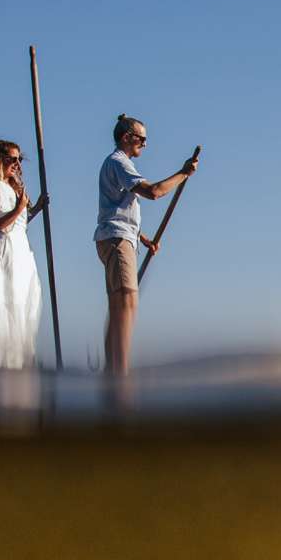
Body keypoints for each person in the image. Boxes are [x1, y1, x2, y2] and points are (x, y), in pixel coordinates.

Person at [94, 115, 199, 374]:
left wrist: (144, 239)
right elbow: (153, 192)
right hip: (117, 240)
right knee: (126, 303)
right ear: (126, 137)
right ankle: (119, 373)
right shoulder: (119, 162)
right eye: (142, 139)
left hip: (120, 238)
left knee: (121, 306)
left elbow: (120, 208)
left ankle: (114, 370)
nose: (145, 144)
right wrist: (183, 173)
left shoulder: (118, 163)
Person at [0, 139, 47, 370]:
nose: (16, 164)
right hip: (7, 250)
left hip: (21, 248)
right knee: (9, 304)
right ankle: (5, 364)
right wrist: (19, 208)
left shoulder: (11, 186)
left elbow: (19, 224)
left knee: (27, 302)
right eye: (11, 159)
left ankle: (22, 362)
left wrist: (34, 208)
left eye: (19, 159)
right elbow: (1, 225)